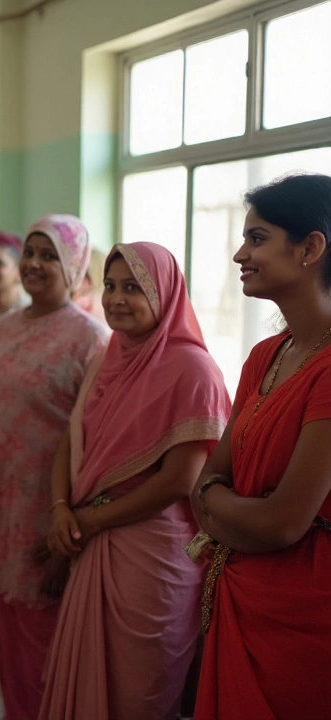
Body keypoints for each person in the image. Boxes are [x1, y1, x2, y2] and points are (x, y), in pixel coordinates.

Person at [39, 242, 230, 720]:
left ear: (165, 294)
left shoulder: (194, 369)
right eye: (109, 285)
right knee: (88, 679)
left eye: (134, 287)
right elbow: (73, 438)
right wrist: (61, 508)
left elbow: (179, 481)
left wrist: (89, 519)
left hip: (152, 554)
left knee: (140, 694)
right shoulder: (108, 356)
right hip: (90, 532)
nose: (116, 298)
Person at [192, 173, 331, 720]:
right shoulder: (266, 357)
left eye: (257, 238)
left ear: (310, 249)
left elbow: (283, 523)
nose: (238, 254)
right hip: (242, 589)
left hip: (303, 611)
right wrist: (220, 500)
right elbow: (206, 479)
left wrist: (215, 504)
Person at [0, 216, 108, 720]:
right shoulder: (7, 326)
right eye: (29, 252)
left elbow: (93, 447)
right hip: (2, 501)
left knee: (44, 639)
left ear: (74, 266)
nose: (33, 264)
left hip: (50, 511)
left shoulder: (92, 339)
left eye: (49, 255)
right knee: (8, 633)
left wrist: (63, 533)